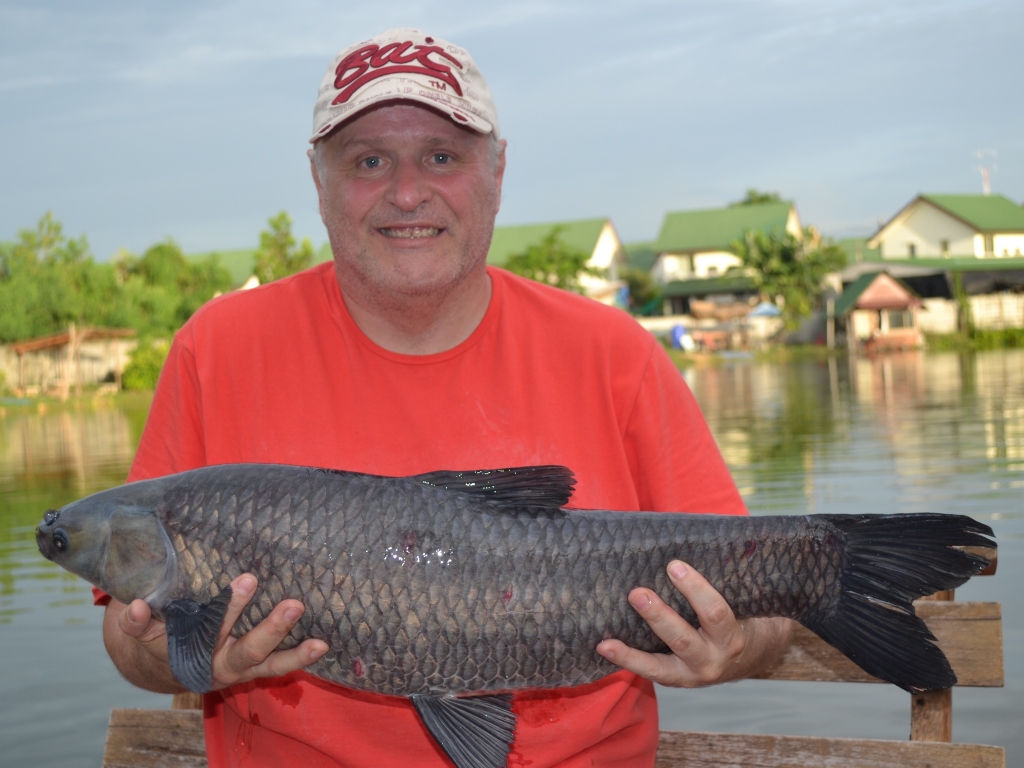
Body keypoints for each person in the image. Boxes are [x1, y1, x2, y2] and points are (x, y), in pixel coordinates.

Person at [98, 27, 790, 768]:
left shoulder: (613, 351)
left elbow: (767, 605)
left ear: (496, 169)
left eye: (441, 156)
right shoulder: (217, 347)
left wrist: (737, 644)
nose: (406, 192)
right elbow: (130, 644)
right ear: (318, 178)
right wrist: (181, 657)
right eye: (369, 160)